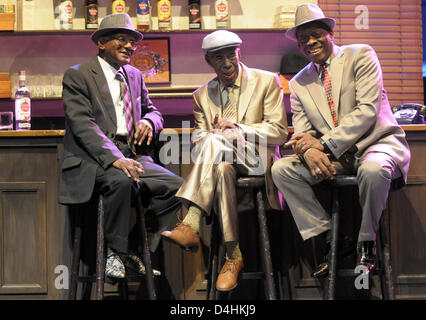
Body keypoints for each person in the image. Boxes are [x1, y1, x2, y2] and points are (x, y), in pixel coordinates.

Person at [271, 3, 410, 277]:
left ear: (330, 33)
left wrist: (322, 145)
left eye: (315, 34)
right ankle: (328, 239)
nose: (310, 42)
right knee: (281, 170)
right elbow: (303, 131)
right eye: (303, 40)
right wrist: (306, 151)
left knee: (373, 170)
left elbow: (367, 111)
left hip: (376, 144)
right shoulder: (299, 83)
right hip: (338, 158)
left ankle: (366, 243)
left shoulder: (361, 55)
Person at [161, 30, 288, 292]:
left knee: (218, 139)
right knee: (220, 167)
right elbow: (199, 144)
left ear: (240, 53)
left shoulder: (267, 81)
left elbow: (278, 132)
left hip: (257, 160)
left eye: (231, 55)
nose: (227, 63)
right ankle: (233, 255)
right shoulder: (201, 95)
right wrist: (218, 136)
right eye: (219, 58)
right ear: (208, 62)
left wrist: (238, 129)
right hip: (221, 162)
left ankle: (191, 219)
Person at [59, 13, 183, 279]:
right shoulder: (78, 75)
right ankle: (112, 254)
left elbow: (154, 111)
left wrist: (149, 121)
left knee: (179, 187)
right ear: (102, 43)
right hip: (94, 159)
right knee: (122, 181)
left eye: (132, 41)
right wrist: (115, 158)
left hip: (133, 154)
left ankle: (136, 247)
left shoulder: (134, 75)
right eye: (122, 39)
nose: (130, 46)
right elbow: (82, 124)